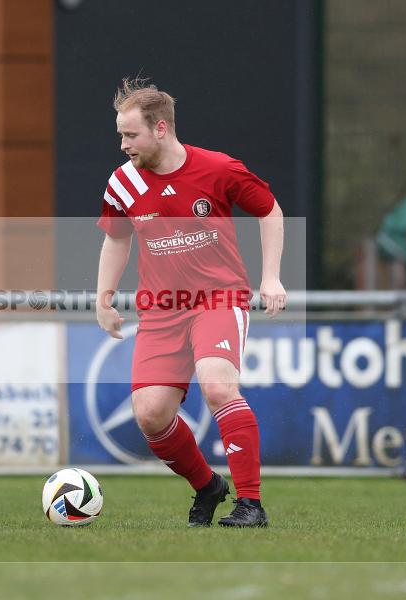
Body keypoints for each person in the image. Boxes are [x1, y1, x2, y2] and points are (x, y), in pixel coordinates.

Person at [95, 79, 285, 527]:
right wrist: (103, 297)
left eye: (131, 135)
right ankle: (208, 487)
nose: (123, 145)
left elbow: (270, 210)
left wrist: (271, 277)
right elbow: (116, 240)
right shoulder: (122, 182)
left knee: (218, 386)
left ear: (160, 129)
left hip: (218, 299)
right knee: (151, 415)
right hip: (161, 309)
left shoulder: (219, 168)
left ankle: (251, 505)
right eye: (120, 135)